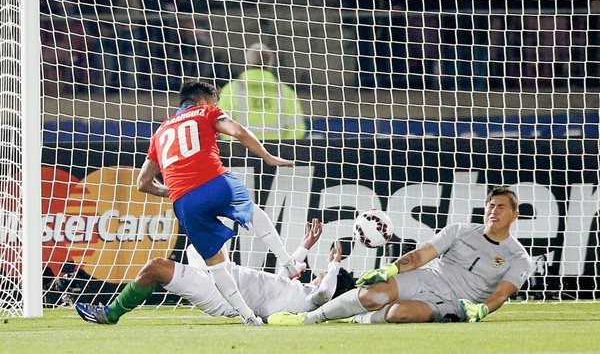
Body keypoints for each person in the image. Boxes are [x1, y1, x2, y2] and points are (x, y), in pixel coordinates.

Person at [123, 79, 303, 326]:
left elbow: (143, 183)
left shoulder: (161, 131)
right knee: (253, 212)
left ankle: (248, 318)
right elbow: (239, 132)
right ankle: (289, 263)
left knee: (216, 265)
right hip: (216, 182)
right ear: (202, 101)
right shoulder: (206, 111)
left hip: (185, 201)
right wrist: (268, 157)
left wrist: (175, 190)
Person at [268, 185, 534, 325]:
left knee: (398, 314)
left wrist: (482, 309)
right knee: (373, 295)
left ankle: (356, 318)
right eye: (490, 205)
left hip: (455, 302)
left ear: (515, 214)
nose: (493, 211)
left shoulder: (518, 257)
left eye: (501, 207)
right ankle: (308, 319)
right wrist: (391, 270)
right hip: (427, 278)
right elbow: (421, 255)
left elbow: (501, 293)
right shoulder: (460, 230)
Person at [75, 219, 356, 324]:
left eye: (324, 275)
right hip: (224, 272)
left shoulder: (314, 303)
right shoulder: (300, 293)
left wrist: (335, 265)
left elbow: (325, 293)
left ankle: (109, 314)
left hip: (223, 295)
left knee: (155, 268)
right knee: (206, 226)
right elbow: (287, 276)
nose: (319, 274)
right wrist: (305, 245)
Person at [218, 43, 306, 141]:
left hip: (242, 151)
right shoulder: (286, 92)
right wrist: (283, 149)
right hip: (276, 152)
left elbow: (222, 124)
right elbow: (297, 129)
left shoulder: (231, 89)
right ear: (270, 64)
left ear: (248, 62)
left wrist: (235, 146)